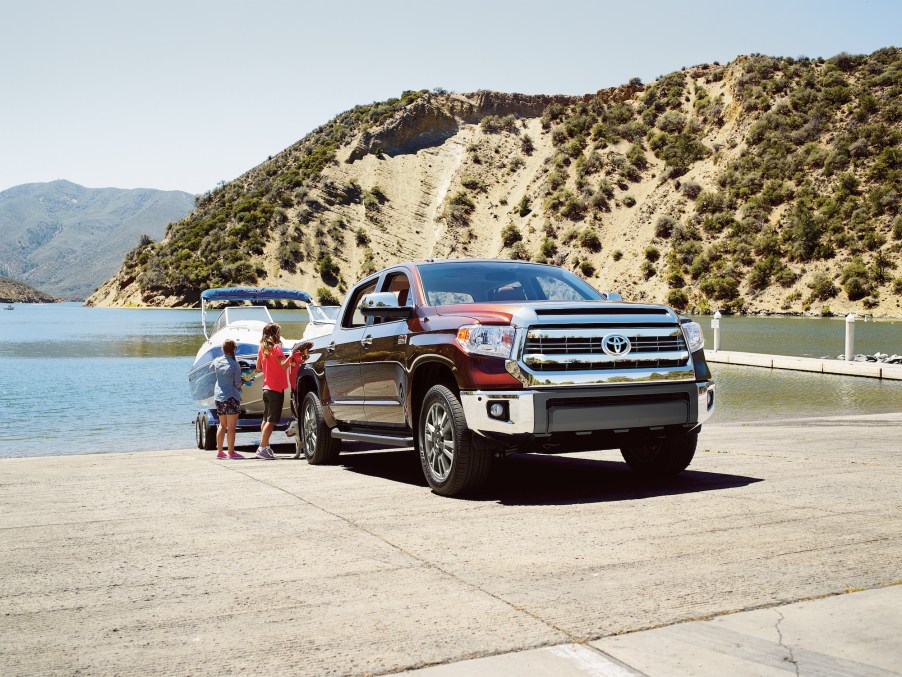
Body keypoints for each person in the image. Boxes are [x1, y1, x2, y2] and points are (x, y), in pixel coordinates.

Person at [255, 323, 292, 459]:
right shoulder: (276, 348)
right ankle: (262, 448)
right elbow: (283, 365)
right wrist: (292, 356)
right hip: (276, 388)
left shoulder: (262, 348)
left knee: (266, 419)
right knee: (272, 420)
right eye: (279, 331)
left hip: (266, 388)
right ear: (275, 333)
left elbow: (258, 367)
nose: (280, 334)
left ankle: (265, 446)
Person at [213, 338, 244, 460]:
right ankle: (231, 452)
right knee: (231, 427)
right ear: (234, 349)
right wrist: (245, 381)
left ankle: (220, 452)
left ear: (223, 349)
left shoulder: (216, 361)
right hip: (231, 397)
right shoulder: (235, 365)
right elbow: (237, 384)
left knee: (222, 425)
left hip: (219, 397)